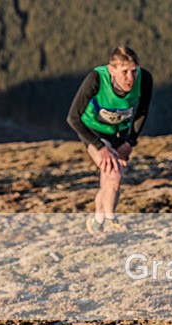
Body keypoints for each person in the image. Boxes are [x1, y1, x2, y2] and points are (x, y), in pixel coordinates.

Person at [66, 46, 153, 234]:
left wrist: (129, 143)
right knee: (113, 173)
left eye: (133, 71)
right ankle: (111, 221)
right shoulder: (96, 79)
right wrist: (99, 147)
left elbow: (142, 112)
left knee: (111, 181)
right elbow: (73, 118)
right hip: (93, 131)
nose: (130, 78)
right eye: (124, 72)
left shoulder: (144, 79)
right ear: (112, 70)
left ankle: (97, 221)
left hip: (119, 133)